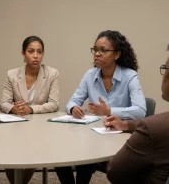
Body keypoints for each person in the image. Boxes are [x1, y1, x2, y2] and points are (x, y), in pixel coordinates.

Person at [104, 35, 169, 184]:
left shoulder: (155, 129)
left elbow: (115, 172)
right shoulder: (159, 126)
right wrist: (126, 125)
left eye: (165, 68)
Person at [55, 30, 147, 184]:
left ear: (116, 54)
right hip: (92, 133)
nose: (97, 54)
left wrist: (109, 111)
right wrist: (73, 109)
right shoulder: (90, 75)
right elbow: (71, 102)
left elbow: (140, 111)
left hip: (117, 136)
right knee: (59, 152)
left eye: (103, 50)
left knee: (86, 153)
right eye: (95, 50)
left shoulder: (130, 76)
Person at [0, 35, 59, 183]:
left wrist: (30, 109)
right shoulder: (12, 74)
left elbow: (54, 103)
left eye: (39, 52)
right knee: (10, 154)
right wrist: (14, 108)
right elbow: (3, 103)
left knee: (34, 151)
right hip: (16, 126)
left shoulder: (52, 74)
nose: (35, 56)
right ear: (23, 53)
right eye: (31, 51)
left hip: (39, 127)